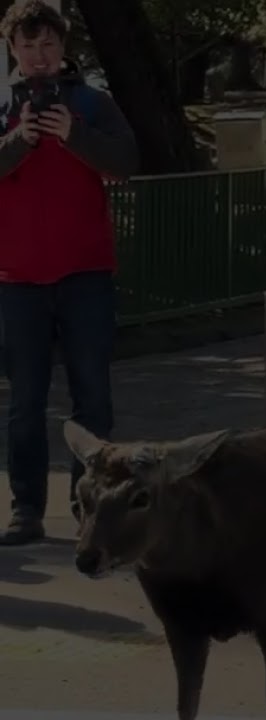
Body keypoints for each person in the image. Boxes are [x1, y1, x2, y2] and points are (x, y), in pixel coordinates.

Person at [0, 1, 138, 544]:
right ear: (13, 49)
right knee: (25, 401)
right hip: (17, 279)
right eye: (28, 46)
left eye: (48, 45)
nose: (39, 56)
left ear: (63, 47)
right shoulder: (5, 106)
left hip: (85, 274)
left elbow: (126, 161)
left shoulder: (91, 103)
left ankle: (92, 507)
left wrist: (73, 136)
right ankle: (26, 509)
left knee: (92, 397)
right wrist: (22, 140)